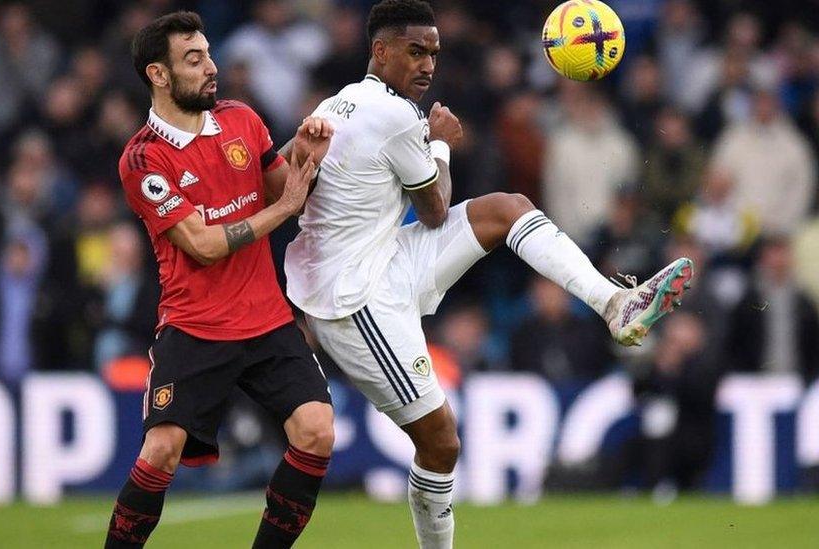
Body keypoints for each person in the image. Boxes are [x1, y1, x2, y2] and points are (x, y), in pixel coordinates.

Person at [283, 2, 694, 547]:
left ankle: (615, 305)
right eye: (415, 51)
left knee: (507, 208)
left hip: (383, 256)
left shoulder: (338, 104)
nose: (428, 64)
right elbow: (433, 209)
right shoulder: (395, 115)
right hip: (355, 298)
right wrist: (440, 144)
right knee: (441, 443)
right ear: (379, 51)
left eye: (433, 51)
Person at [104, 12, 335, 549]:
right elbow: (203, 244)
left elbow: (287, 189)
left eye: (208, 54)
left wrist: (306, 154)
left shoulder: (241, 119)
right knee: (161, 450)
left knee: (317, 431)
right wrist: (285, 205)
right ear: (158, 75)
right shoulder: (143, 158)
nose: (212, 67)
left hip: (266, 319)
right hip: (195, 326)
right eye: (193, 59)